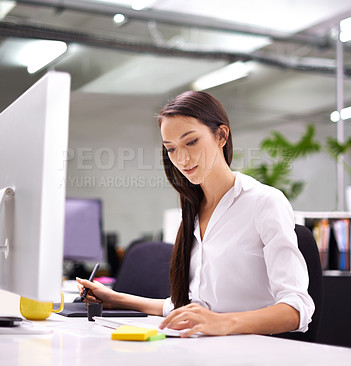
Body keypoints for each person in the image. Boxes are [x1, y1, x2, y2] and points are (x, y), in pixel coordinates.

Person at [77, 91, 314, 337]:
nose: (182, 159)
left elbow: (297, 309)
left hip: (249, 352)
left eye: (191, 142)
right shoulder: (191, 212)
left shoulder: (264, 202)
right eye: (171, 149)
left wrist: (223, 323)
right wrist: (115, 299)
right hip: (200, 348)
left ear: (221, 135)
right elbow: (185, 307)